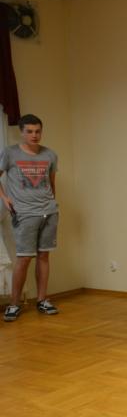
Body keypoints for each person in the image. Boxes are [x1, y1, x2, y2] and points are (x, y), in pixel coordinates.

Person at [0, 114, 60, 321]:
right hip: (24, 214)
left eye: (37, 131)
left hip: (49, 212)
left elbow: (51, 183)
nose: (34, 135)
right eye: (30, 131)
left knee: (44, 256)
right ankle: (14, 304)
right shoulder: (10, 153)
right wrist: (4, 198)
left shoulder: (50, 155)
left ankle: (42, 300)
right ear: (22, 132)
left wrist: (53, 204)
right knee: (24, 258)